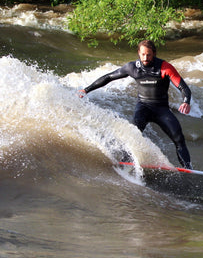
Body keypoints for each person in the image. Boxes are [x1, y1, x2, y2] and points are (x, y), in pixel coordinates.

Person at [78, 40, 193, 169]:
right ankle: (125, 164)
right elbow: (108, 77)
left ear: (154, 53)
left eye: (149, 55)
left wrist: (186, 101)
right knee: (133, 135)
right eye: (143, 54)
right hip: (143, 107)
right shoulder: (132, 67)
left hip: (161, 110)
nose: (145, 58)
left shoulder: (165, 67)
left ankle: (188, 169)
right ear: (139, 53)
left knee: (179, 138)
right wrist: (86, 89)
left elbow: (183, 88)